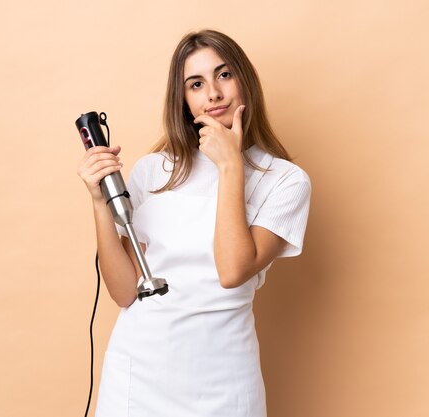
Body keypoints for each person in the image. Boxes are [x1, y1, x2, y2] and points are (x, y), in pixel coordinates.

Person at [77, 29, 311, 417]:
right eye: (196, 84)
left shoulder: (286, 181)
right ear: (184, 100)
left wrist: (231, 165)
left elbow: (233, 270)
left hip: (223, 377)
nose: (213, 94)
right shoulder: (155, 171)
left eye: (224, 75)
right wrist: (100, 203)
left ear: (245, 81)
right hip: (139, 373)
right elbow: (123, 292)